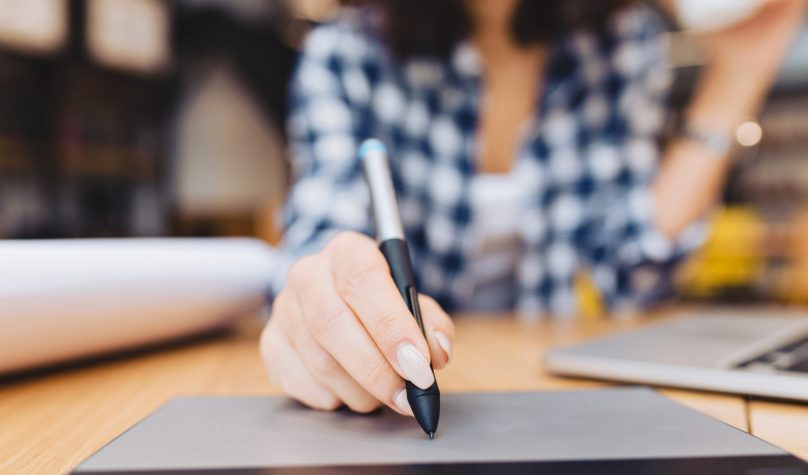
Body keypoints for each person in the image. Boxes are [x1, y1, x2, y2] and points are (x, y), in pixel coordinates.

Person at [260, 0, 805, 416]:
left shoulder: (619, 41)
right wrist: (323, 297)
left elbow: (635, 274)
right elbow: (319, 243)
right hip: (418, 399)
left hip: (546, 387)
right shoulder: (345, 53)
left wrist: (739, 76)